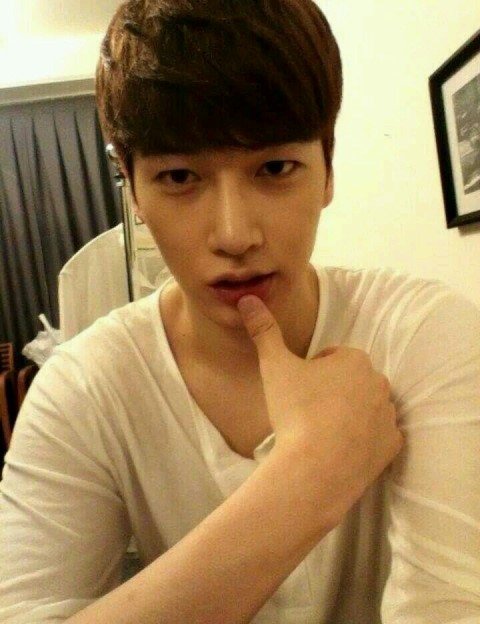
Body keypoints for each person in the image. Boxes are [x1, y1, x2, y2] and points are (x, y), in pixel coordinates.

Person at [1, 1, 479, 622]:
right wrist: (309, 478)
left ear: (327, 170)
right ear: (133, 189)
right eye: (180, 177)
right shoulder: (83, 389)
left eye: (275, 168)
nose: (234, 235)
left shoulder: (423, 334)